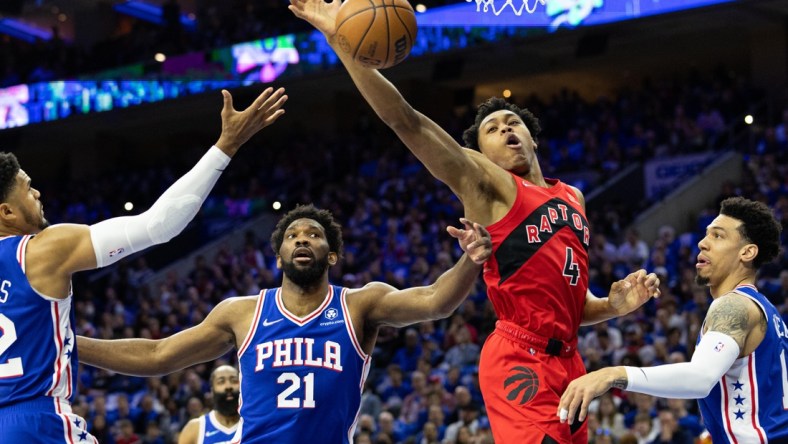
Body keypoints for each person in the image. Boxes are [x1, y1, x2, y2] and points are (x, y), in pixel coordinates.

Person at [287, 2, 661, 442]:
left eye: (513, 122)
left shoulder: (572, 197)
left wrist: (612, 307)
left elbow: (566, 310)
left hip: (569, 362)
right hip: (519, 359)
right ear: (480, 155)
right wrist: (341, 42)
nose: (507, 129)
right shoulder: (487, 184)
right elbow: (404, 120)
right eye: (493, 129)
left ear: (531, 136)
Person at [0, 86, 286, 442]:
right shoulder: (43, 249)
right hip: (37, 420)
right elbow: (159, 224)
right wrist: (226, 145)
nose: (38, 193)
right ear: (7, 212)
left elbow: (154, 356)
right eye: (27, 188)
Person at [77, 205, 493, 443]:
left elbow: (435, 301)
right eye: (292, 236)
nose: (302, 240)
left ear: (331, 255)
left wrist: (470, 257)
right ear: (278, 257)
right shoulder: (241, 313)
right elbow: (158, 354)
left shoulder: (360, 304)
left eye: (313, 235)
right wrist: (70, 343)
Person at [558, 197, 788, 443]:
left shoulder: (733, 305)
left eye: (718, 236)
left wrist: (612, 374)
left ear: (747, 252)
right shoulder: (766, 310)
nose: (702, 243)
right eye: (706, 235)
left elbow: (700, 378)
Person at [178, 365, 240, 444]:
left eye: (234, 381)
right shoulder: (195, 428)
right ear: (212, 391)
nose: (228, 386)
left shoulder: (255, 423)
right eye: (221, 382)